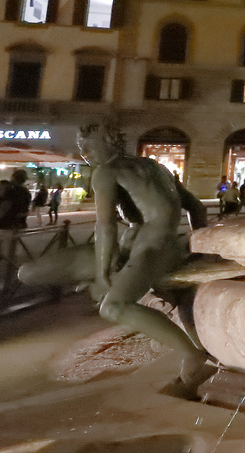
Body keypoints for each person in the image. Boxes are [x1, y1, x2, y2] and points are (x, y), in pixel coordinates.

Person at [76, 123, 211, 394]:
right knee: (173, 298)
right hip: (172, 246)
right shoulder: (155, 167)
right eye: (81, 149)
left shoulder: (105, 173)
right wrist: (200, 245)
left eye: (88, 147)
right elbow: (195, 206)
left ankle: (194, 357)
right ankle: (201, 358)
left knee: (114, 306)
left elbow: (105, 226)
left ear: (107, 141)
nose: (84, 154)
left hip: (153, 250)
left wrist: (102, 274)